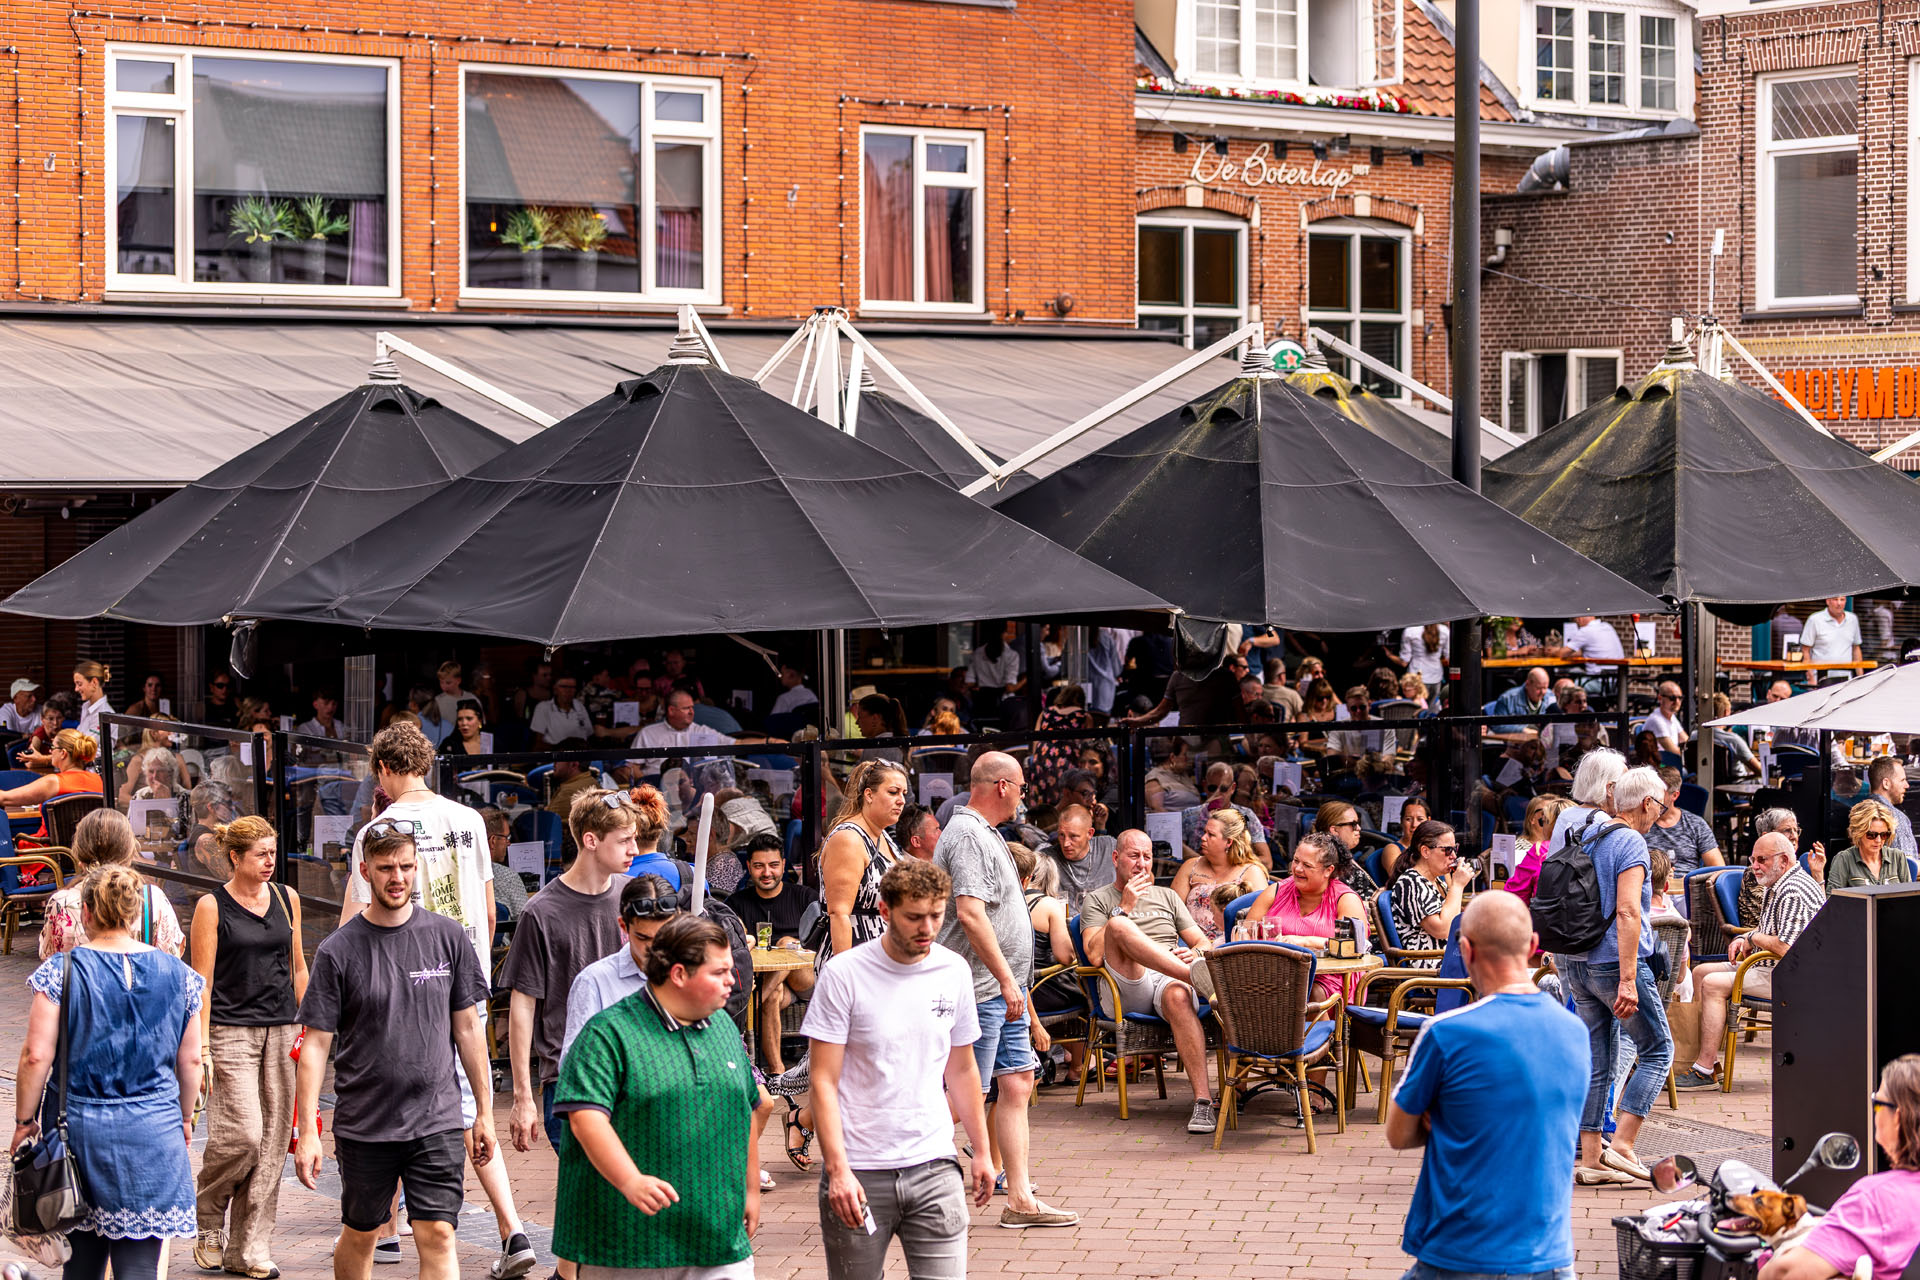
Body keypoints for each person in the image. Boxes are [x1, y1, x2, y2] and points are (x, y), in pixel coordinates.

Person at [335, 721, 529, 1276]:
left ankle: (387, 1229)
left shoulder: (376, 830)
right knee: (468, 1112)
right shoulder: (469, 820)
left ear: (383, 770)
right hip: (461, 976)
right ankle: (510, 1228)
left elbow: (357, 916)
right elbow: (491, 913)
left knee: (398, 1104)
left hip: (395, 982)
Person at [293, 825, 496, 1280]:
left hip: (437, 1117)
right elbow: (316, 1046)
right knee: (362, 1233)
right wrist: (308, 1130)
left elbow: (468, 1028)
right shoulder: (338, 951)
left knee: (439, 1233)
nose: (397, 877)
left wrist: (484, 1111)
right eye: (385, 868)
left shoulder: (447, 937)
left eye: (405, 866)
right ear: (365, 872)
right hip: (365, 1123)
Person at [805, 858, 994, 1279]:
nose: (927, 927)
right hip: (860, 1169)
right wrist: (837, 1169)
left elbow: (962, 1069)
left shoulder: (954, 970)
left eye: (936, 914)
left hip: (934, 1165)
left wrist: (981, 1150)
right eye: (914, 916)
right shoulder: (844, 975)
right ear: (886, 911)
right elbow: (823, 1081)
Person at [13, 866, 204, 1280]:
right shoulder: (182, 977)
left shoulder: (61, 973)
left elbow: (35, 1056)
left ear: (86, 913)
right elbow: (191, 1061)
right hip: (154, 1129)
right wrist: (185, 1117)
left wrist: (24, 1121)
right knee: (139, 1267)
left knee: (81, 1264)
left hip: (79, 1129)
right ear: (134, 914)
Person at [1386, 891, 1587, 1280]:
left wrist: (1442, 1116)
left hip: (1461, 1251)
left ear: (1465, 949)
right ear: (1531, 946)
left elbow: (1398, 1133)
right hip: (1549, 1254)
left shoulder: (1446, 1032)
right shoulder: (1574, 1031)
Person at [550, 911, 757, 1278]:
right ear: (679, 974)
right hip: (625, 1244)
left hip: (717, 1237)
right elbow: (585, 1118)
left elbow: (746, 1110)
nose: (733, 980)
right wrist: (630, 1179)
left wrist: (750, 1190)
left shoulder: (724, 1025)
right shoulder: (606, 1034)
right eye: (719, 972)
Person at [932, 750, 1076, 1226]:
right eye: (1021, 788)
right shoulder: (969, 834)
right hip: (982, 988)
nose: (1023, 796)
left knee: (1017, 1081)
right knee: (962, 1097)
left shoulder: (986, 832)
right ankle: (883, 1163)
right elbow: (971, 913)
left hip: (1000, 988)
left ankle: (1020, 1200)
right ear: (1002, 786)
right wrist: (1006, 980)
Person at [189, 816, 308, 1280]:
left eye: (273, 852)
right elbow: (201, 982)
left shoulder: (286, 897)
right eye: (260, 854)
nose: (269, 862)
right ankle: (209, 1210)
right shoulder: (211, 906)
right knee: (241, 1135)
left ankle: (249, 1249)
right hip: (229, 1029)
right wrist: (201, 1047)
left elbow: (298, 967)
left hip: (281, 1029)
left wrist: (311, 1024)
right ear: (235, 857)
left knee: (274, 1141)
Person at [505, 788, 636, 1171]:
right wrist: (522, 1096)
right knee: (597, 1188)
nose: (634, 848)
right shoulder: (540, 912)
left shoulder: (632, 895)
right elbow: (522, 1006)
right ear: (591, 840)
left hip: (632, 1067)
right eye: (625, 840)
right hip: (570, 1077)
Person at [1565, 765, 1674, 1187]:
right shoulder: (1629, 840)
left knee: (1598, 1062)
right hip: (1614, 963)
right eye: (1660, 807)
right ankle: (1623, 1146)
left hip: (1579, 961)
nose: (1660, 816)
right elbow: (1629, 911)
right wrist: (1629, 979)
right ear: (1646, 803)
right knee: (1658, 1050)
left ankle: (1591, 1160)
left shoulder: (1590, 832)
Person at [1080, 829, 1218, 1134]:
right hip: (1128, 983)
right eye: (1134, 856)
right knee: (1118, 925)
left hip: (1168, 977)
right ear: (1116, 859)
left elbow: (1203, 943)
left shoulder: (1167, 895)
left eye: (1147, 857)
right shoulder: (1098, 899)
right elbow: (1092, 954)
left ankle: (1203, 1103)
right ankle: (1202, 982)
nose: (1142, 864)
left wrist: (1192, 951)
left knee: (1179, 998)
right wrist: (1125, 907)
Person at [1675, 831, 1825, 1089]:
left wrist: (1753, 937)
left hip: (1790, 977)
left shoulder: (1792, 890)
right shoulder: (1778, 882)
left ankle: (1704, 1068)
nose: (1754, 866)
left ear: (1784, 860)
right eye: (1753, 859)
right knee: (1700, 972)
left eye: (1762, 860)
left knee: (1711, 983)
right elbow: (1770, 933)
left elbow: (1786, 948)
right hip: (1767, 965)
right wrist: (1747, 938)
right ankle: (1696, 1058)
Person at [1759, 1054, 1920, 1280]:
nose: (1874, 1111)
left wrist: (1766, 1264)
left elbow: (1785, 1273)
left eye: (1877, 1104)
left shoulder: (1875, 1198)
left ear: (1898, 1117)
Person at [1240, 832, 1370, 1001]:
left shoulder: (1345, 899)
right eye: (1296, 861)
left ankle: (1322, 1028)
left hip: (1329, 977)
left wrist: (1303, 942)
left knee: (1310, 992)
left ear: (1328, 870)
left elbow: (1356, 946)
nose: (1298, 869)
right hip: (1275, 971)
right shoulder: (1276, 891)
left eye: (1307, 865)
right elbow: (1245, 933)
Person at [39, 809, 186, 958]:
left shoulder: (62, 903)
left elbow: (52, 962)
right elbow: (171, 958)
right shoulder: (152, 898)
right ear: (129, 853)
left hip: (83, 981)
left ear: (79, 855)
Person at [728, 834, 818, 1073]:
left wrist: (790, 946)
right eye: (759, 866)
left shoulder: (804, 897)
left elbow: (822, 942)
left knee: (788, 944)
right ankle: (777, 1071)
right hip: (770, 983)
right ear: (749, 867)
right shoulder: (737, 903)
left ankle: (752, 1007)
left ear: (783, 864)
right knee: (773, 993)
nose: (767, 872)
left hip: (805, 979)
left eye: (773, 865)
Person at [817, 759, 908, 970]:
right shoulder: (848, 838)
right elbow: (839, 914)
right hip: (857, 963)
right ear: (869, 795)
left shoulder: (883, 835)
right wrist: (847, 976)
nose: (901, 800)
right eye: (893, 792)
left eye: (903, 793)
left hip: (888, 960)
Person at [1170, 809, 1269, 943]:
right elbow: (1172, 911)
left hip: (1229, 946)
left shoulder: (1252, 872)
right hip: (1188, 943)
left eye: (1210, 834)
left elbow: (1258, 923)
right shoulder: (1190, 866)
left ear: (1229, 842)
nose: (1203, 838)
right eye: (1204, 832)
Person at [1387, 821, 1473, 969]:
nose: (1453, 856)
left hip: (1448, 957)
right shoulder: (1410, 882)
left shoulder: (1436, 881)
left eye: (1455, 848)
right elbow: (1443, 930)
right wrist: (1457, 886)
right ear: (1425, 851)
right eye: (1447, 850)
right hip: (1432, 964)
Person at [1, 727, 104, 849]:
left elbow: (4, 799)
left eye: (53, 748)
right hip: (88, 853)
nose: (50, 751)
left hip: (46, 854)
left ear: (63, 753)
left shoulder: (53, 782)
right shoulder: (99, 780)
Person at [1180, 761, 1274, 866]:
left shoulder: (1246, 815)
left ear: (1232, 788)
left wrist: (1227, 864)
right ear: (1204, 786)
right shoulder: (1189, 815)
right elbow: (1177, 851)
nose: (1218, 794)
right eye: (1213, 788)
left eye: (1223, 789)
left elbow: (1267, 862)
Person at [1644, 766, 1726, 873]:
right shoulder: (1642, 823)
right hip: (1650, 886)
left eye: (1659, 794)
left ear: (1674, 795)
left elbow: (1719, 868)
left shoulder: (1696, 824)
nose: (1653, 798)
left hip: (1686, 885)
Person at [1040, 803, 1117, 913]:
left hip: (1105, 923)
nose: (1066, 843)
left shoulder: (1109, 847)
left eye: (1073, 836)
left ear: (1090, 833)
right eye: (1061, 835)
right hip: (1064, 926)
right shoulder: (1047, 858)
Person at [1829, 798, 1916, 892]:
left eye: (1884, 835)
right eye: (1871, 835)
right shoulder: (1844, 859)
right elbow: (1832, 901)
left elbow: (1908, 898)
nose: (1878, 840)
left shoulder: (1897, 857)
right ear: (1859, 833)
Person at [1504, 794, 1575, 904]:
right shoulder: (1589, 845)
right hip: (1587, 918)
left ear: (1550, 824)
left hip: (1548, 917)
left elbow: (1515, 894)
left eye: (1544, 821)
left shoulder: (1540, 850)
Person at [634, 688, 736, 759]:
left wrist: (752, 741)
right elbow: (632, 767)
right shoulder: (647, 733)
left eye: (692, 707)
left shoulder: (702, 731)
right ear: (671, 711)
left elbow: (736, 744)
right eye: (686, 708)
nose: (692, 712)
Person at [1316, 800, 1380, 897]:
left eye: (1358, 823)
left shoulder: (1342, 856)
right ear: (1334, 830)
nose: (1359, 828)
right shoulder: (1328, 864)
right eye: (1353, 824)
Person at [1866, 755, 1917, 869]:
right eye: (1902, 780)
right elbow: (1907, 865)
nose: (1907, 785)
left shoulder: (1860, 812)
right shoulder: (1895, 818)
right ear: (1886, 783)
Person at [481, 808, 529, 922]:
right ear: (493, 841)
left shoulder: (457, 872)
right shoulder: (508, 878)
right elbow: (525, 923)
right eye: (507, 837)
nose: (509, 843)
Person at [1800, 596, 1864, 678]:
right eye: (1835, 599)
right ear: (1828, 601)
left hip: (1846, 677)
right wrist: (1811, 677)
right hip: (1821, 677)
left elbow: (1856, 649)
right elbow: (1805, 650)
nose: (1839, 603)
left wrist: (1861, 677)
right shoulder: (1815, 619)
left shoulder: (1853, 619)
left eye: (1842, 600)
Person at [531, 673, 591, 749]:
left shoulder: (580, 706)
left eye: (572, 687)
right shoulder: (543, 707)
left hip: (582, 756)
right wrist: (560, 750)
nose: (568, 690)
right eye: (564, 687)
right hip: (556, 756)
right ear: (555, 689)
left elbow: (589, 734)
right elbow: (538, 742)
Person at [1142, 736, 1201, 811]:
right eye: (1184, 754)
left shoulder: (1183, 776)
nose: (1187, 758)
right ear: (1172, 757)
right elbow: (1157, 810)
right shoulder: (1154, 779)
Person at [1379, 798, 1431, 883]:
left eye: (1420, 819)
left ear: (1428, 821)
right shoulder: (1392, 849)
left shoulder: (1435, 848)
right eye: (1408, 819)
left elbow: (1450, 886)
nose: (1414, 825)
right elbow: (1403, 883)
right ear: (1401, 821)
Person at [1487, 667, 1556, 730]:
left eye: (1545, 688)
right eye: (1538, 688)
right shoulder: (1507, 699)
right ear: (1527, 684)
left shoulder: (1550, 697)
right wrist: (1522, 730)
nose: (1542, 692)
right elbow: (1497, 726)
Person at [72, 659, 113, 751]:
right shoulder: (86, 706)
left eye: (79, 684)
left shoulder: (105, 713)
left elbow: (86, 749)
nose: (76, 689)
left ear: (94, 682)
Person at [1645, 682, 1688, 756]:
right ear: (1660, 698)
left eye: (1680, 698)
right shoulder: (1656, 720)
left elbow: (1686, 741)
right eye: (1672, 698)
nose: (1677, 702)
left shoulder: (1672, 717)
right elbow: (1673, 751)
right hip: (1660, 764)